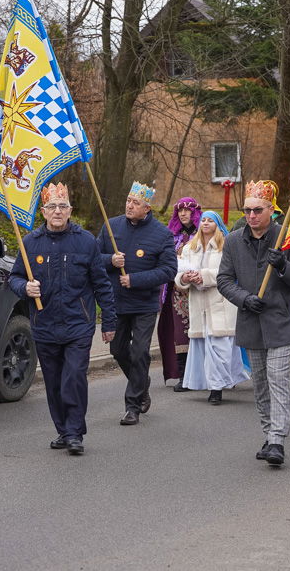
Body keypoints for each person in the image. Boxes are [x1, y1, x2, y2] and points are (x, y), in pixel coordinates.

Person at [9, 183, 116, 456]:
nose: (57, 211)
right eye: (52, 207)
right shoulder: (30, 243)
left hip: (78, 324)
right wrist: (25, 288)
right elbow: (14, 277)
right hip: (44, 324)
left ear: (70, 211)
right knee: (54, 382)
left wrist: (110, 322)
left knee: (74, 378)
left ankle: (75, 432)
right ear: (43, 212)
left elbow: (101, 283)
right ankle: (63, 429)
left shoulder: (86, 242)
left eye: (63, 207)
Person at [217, 180, 290, 465]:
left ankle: (278, 440)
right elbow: (223, 280)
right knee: (260, 384)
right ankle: (269, 434)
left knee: (278, 379)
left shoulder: (287, 239)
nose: (251, 215)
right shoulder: (233, 241)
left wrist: (282, 265)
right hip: (251, 321)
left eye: (258, 210)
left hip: (281, 322)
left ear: (271, 210)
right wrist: (243, 298)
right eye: (247, 210)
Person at [98, 182, 177, 426]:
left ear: (147, 208)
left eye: (135, 203)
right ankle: (141, 383)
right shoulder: (111, 226)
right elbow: (92, 259)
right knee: (118, 350)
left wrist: (136, 279)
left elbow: (169, 270)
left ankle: (133, 405)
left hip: (144, 303)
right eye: (128, 201)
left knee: (141, 351)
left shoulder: (161, 234)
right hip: (116, 302)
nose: (129, 206)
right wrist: (111, 260)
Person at [174, 211, 248, 404]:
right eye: (203, 220)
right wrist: (185, 278)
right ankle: (211, 383)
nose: (206, 223)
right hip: (199, 306)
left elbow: (231, 273)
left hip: (221, 303)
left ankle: (217, 389)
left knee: (220, 347)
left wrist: (204, 276)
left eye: (210, 220)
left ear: (217, 224)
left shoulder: (226, 246)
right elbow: (178, 274)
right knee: (204, 349)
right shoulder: (190, 248)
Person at [159, 197, 201, 391]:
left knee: (202, 334)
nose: (183, 213)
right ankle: (184, 376)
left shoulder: (204, 234)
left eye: (187, 210)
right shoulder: (172, 237)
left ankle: (206, 375)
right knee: (180, 334)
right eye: (179, 211)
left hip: (200, 292)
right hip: (177, 294)